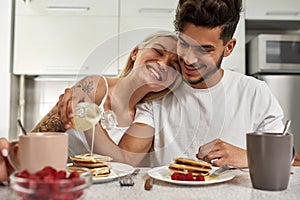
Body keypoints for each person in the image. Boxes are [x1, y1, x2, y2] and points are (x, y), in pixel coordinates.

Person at [0, 31, 182, 183]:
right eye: (158, 52)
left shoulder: (147, 115)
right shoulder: (93, 86)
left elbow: (125, 163)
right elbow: (37, 138)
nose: (162, 64)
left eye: (174, 65)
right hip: (61, 184)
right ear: (135, 53)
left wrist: (86, 116)